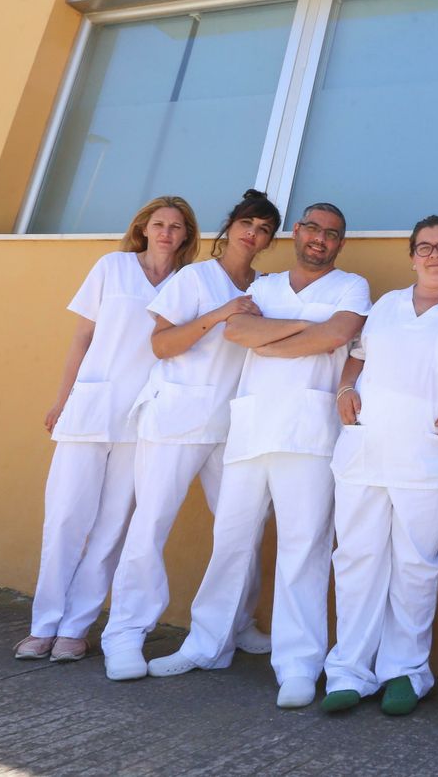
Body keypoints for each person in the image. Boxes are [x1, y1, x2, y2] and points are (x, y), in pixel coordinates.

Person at [147, 202, 370, 710]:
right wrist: (302, 335)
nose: (320, 238)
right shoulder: (263, 289)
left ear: (340, 243)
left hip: (310, 437)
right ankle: (207, 645)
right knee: (230, 542)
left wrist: (276, 337)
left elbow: (337, 335)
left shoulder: (351, 288)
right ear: (296, 233)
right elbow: (238, 333)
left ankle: (298, 665)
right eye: (312, 228)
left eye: (332, 233)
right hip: (250, 431)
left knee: (303, 550)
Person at [100, 189, 282, 681]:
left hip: (230, 427)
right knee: (151, 524)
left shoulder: (266, 290)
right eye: (248, 223)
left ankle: (237, 623)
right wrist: (220, 315)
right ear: (230, 226)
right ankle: (124, 633)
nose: (254, 233)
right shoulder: (194, 277)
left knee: (242, 529)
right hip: (175, 418)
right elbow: (160, 344)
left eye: (265, 229)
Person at [16, 196, 198, 662]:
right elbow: (82, 337)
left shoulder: (188, 283)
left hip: (142, 417)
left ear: (186, 235)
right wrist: (63, 399)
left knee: (113, 526)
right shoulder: (112, 267)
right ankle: (43, 626)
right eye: (158, 223)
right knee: (63, 518)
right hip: (91, 407)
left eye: (176, 226)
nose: (166, 232)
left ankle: (75, 628)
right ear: (143, 228)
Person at [320, 215, 438, 718]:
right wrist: (345, 389)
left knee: (415, 565)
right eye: (425, 247)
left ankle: (404, 671)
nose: (435, 256)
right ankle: (349, 670)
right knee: (356, 560)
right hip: (366, 451)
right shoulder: (386, 305)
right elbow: (357, 357)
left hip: (429, 456)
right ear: (411, 256)